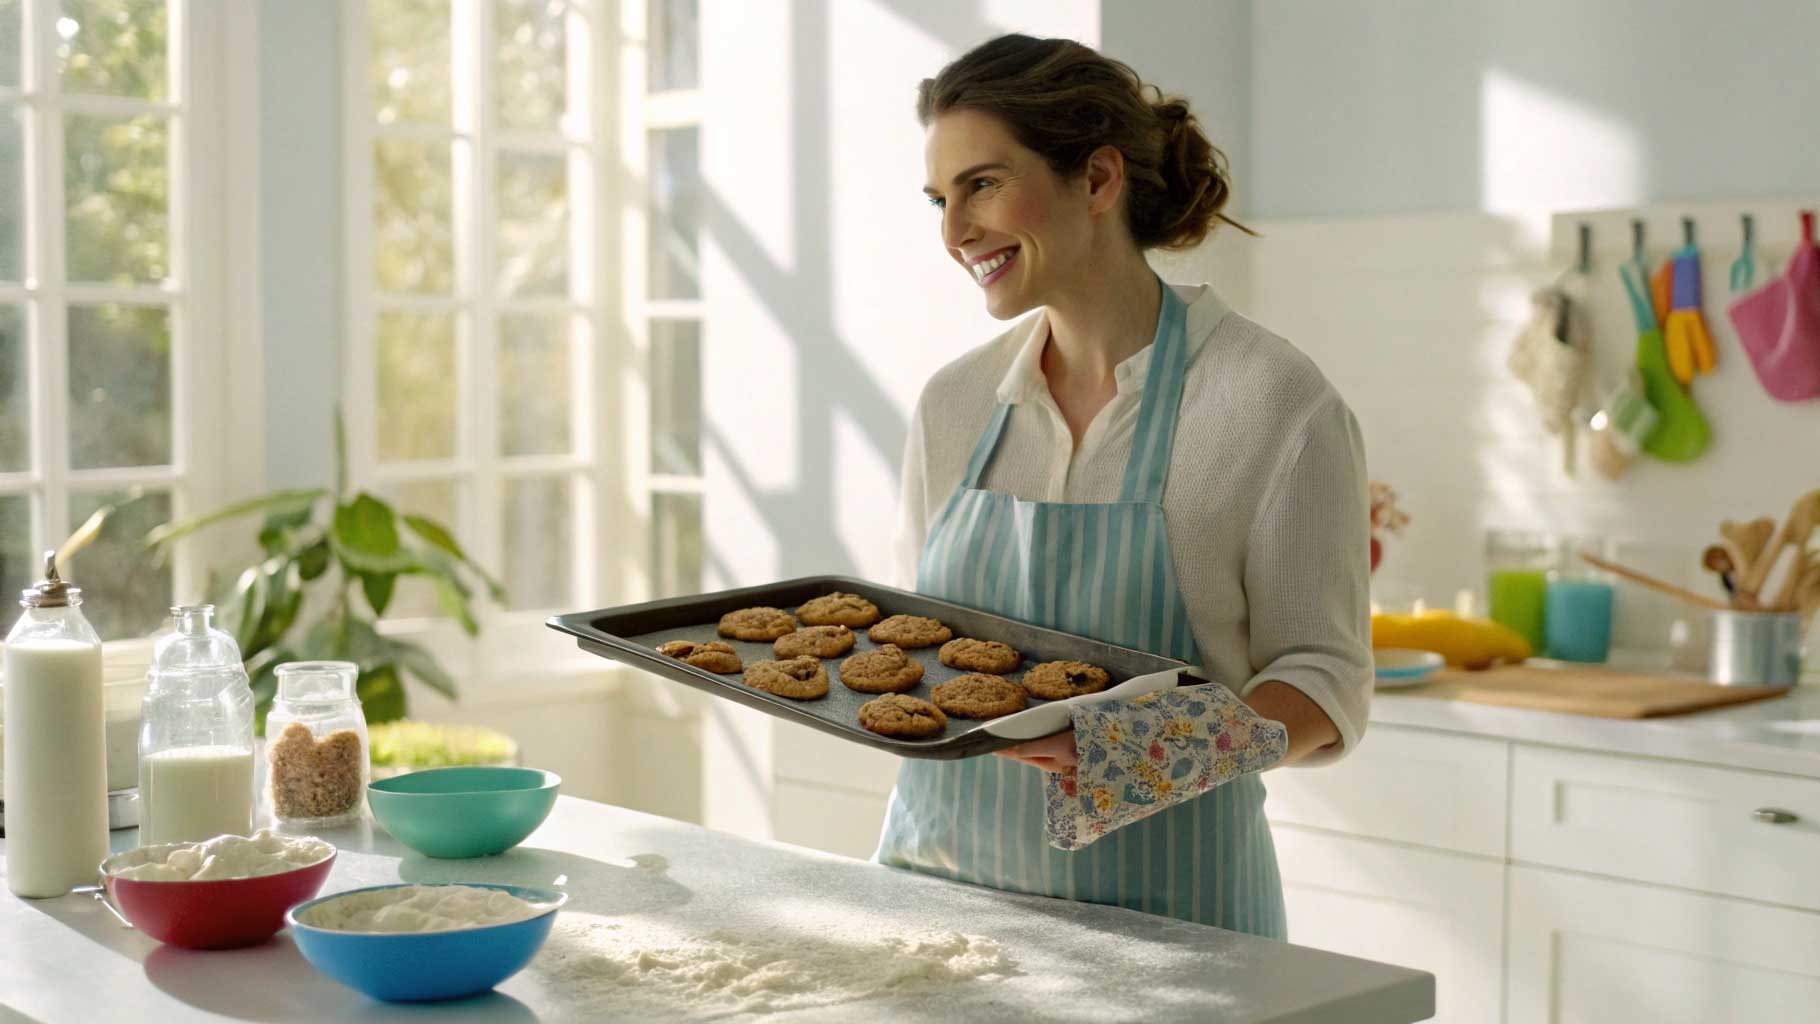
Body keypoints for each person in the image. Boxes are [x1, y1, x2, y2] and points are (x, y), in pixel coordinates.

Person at [876, 34, 1372, 940]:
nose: (954, 232)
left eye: (982, 185)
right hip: (942, 914)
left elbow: (1326, 681)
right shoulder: (954, 405)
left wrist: (1150, 753)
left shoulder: (1271, 403)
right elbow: (928, 651)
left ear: (1098, 179)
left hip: (1180, 930)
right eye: (941, 199)